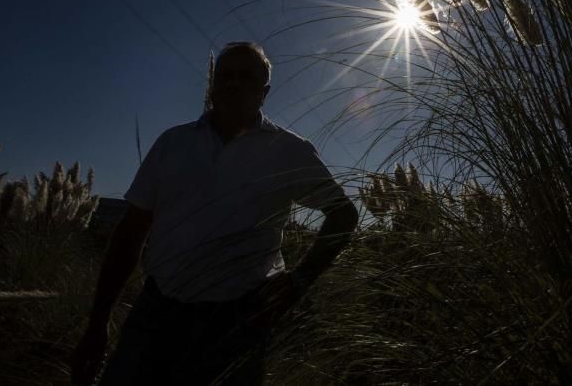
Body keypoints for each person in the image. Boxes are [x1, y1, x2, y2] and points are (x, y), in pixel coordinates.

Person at [71, 41, 359, 385]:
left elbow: (343, 213)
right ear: (212, 85)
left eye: (246, 77)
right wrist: (98, 321)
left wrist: (299, 280)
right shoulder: (173, 143)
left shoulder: (287, 151)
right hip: (156, 313)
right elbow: (132, 231)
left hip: (236, 324)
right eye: (225, 76)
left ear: (264, 92)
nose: (233, 83)